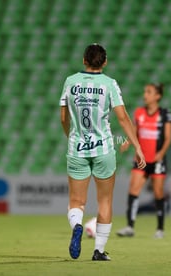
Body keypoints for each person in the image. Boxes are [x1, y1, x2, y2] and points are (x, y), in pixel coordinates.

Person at [60, 43, 146, 261]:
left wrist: (71, 137)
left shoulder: (71, 82)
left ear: (84, 60)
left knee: (77, 201)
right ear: (105, 62)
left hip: (77, 148)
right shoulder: (109, 84)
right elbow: (123, 117)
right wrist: (137, 146)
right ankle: (98, 251)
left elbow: (63, 117)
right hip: (103, 149)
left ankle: (77, 225)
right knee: (105, 201)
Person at [116, 83, 171, 239]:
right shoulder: (139, 112)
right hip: (141, 159)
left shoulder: (165, 114)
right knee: (133, 190)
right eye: (144, 91)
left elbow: (168, 137)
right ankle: (130, 227)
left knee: (158, 193)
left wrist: (161, 153)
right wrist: (128, 142)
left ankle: (160, 228)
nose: (145, 95)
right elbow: (135, 131)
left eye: (149, 92)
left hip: (157, 160)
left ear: (157, 96)